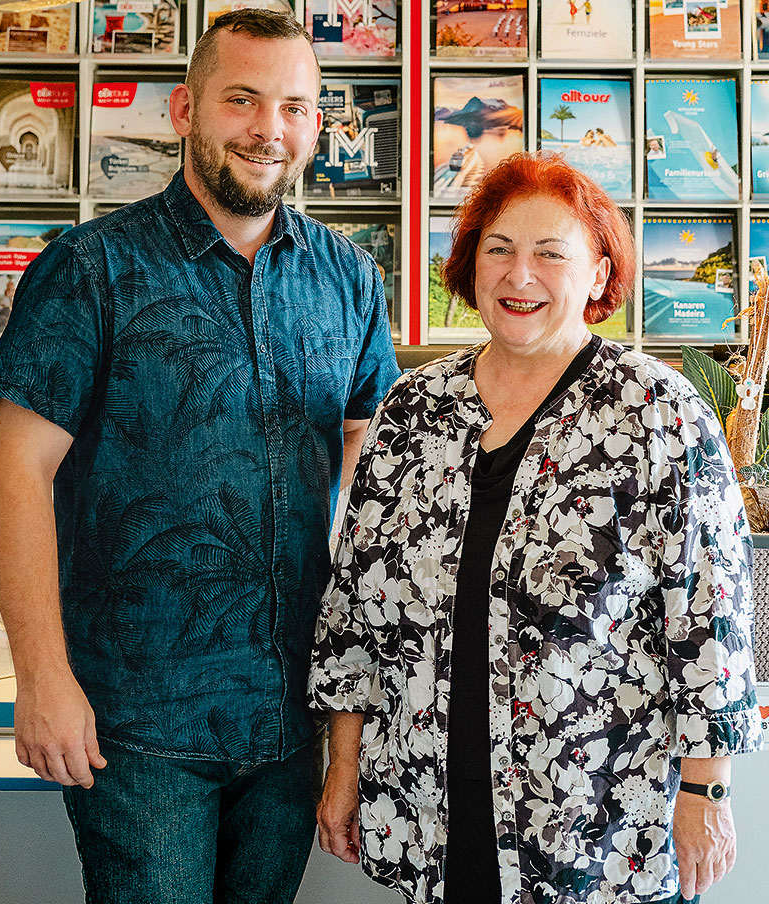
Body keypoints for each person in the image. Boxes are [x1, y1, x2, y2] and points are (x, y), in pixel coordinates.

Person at [0, 9, 399, 904]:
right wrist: (41, 675)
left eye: (293, 107)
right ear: (184, 110)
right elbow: (17, 468)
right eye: (242, 100)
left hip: (291, 717)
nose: (267, 129)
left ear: (319, 123)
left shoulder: (349, 278)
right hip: (136, 724)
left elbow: (373, 475)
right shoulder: (93, 269)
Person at [309, 152, 763, 904]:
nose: (520, 277)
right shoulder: (413, 410)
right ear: (470, 266)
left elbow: (712, 621)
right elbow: (357, 608)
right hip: (434, 811)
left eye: (552, 255)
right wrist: (344, 770)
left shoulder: (659, 413)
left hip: (597, 821)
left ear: (597, 274)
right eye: (499, 250)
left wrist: (706, 794)